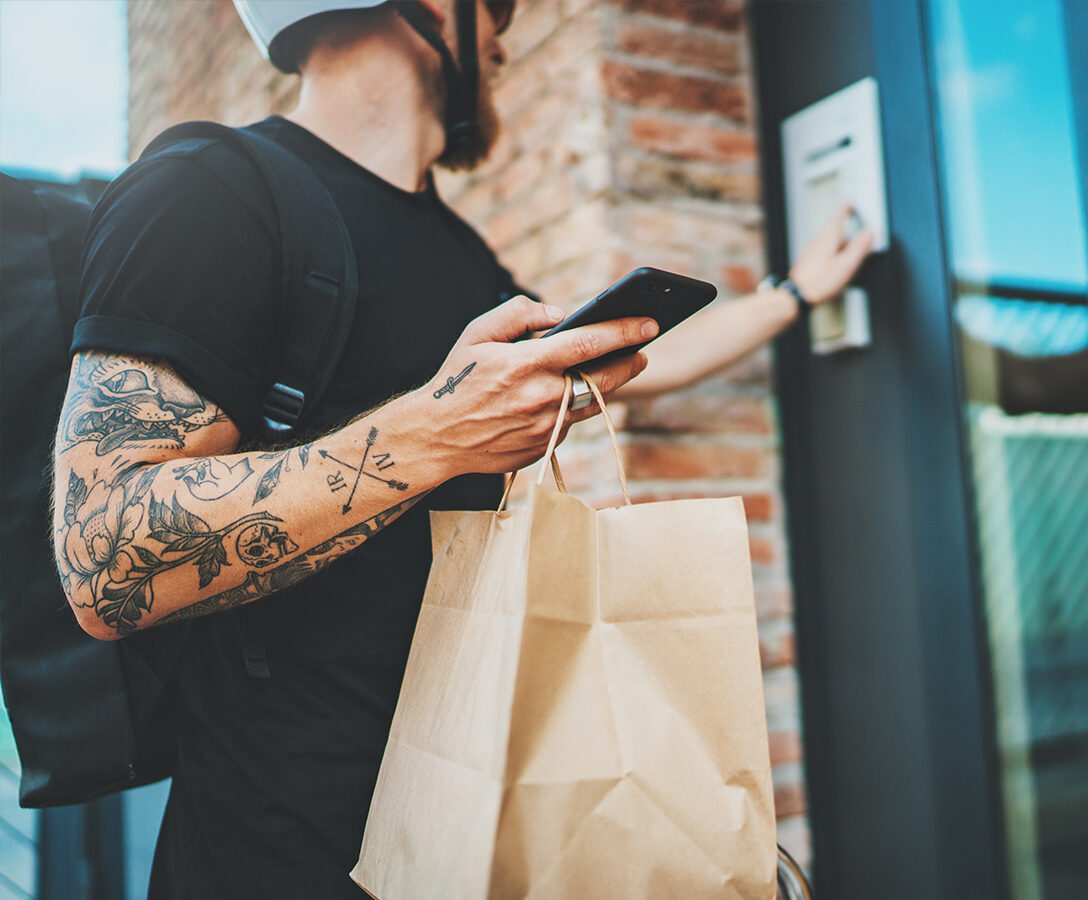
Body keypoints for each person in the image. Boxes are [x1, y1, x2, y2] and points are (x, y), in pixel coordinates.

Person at [51, 0, 873, 895]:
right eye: (501, 9)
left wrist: (794, 294)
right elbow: (104, 556)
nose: (504, 37)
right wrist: (435, 434)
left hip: (467, 835)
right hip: (283, 851)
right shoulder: (206, 189)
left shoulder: (460, 256)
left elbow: (638, 358)